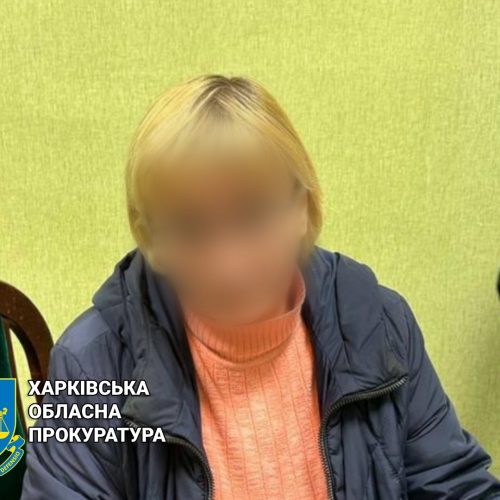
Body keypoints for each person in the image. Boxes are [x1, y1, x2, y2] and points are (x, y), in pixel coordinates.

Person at [22, 75, 499, 500]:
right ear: (150, 238)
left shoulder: (379, 322)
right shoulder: (92, 362)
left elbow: (456, 485)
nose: (228, 267)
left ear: (304, 210)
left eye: (254, 216)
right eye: (189, 228)